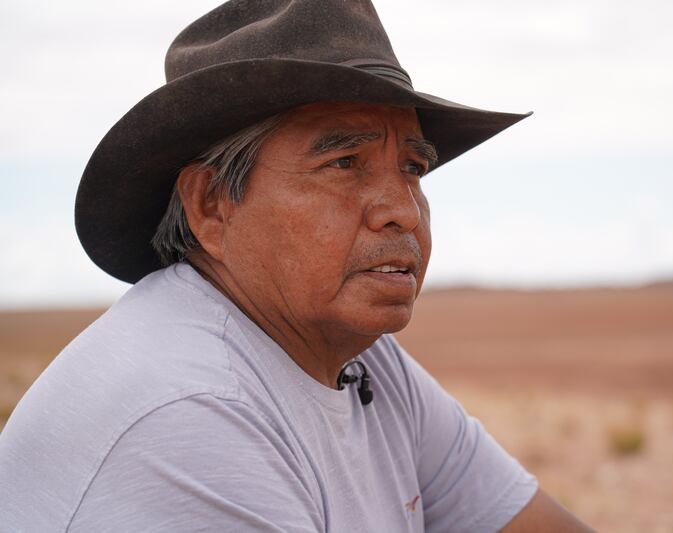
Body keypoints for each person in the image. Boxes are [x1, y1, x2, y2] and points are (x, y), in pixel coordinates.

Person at [0, 1, 592, 531]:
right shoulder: (189, 415)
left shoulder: (363, 362)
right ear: (211, 206)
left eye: (412, 167)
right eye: (344, 162)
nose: (402, 212)